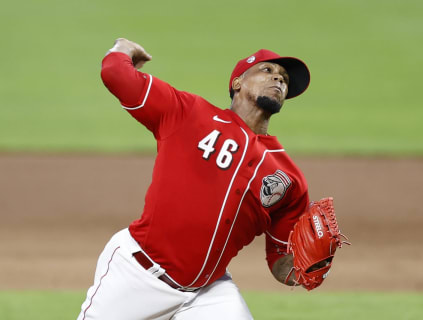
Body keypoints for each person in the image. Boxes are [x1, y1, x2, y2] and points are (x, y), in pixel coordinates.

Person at [78, 38, 311, 320]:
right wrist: (123, 49)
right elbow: (115, 74)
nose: (278, 78)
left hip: (208, 293)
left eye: (284, 78)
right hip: (136, 275)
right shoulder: (188, 113)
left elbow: (283, 267)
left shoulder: (289, 178)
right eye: (267, 70)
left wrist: (311, 264)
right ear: (237, 83)